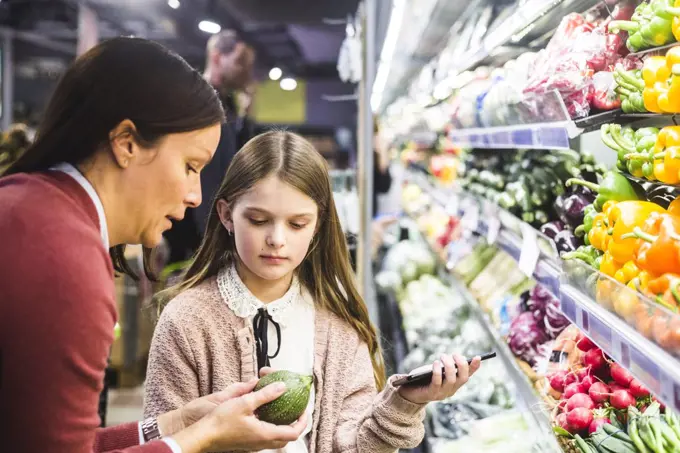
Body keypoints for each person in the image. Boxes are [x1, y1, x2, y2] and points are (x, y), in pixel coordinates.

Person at [0, 37, 306, 453]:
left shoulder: (30, 205)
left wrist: (178, 423)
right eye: (190, 166)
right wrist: (203, 437)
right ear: (127, 143)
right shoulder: (65, 258)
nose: (196, 195)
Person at [143, 131, 482, 452]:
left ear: (318, 224)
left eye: (297, 224)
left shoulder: (338, 326)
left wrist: (406, 402)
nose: (277, 239)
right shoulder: (186, 321)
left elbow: (353, 445)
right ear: (227, 215)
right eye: (259, 220)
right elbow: (161, 439)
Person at [163, 29, 256, 266]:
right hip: (189, 229)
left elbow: (236, 162)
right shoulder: (192, 101)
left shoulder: (230, 106)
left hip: (215, 225)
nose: (243, 71)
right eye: (238, 62)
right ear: (216, 57)